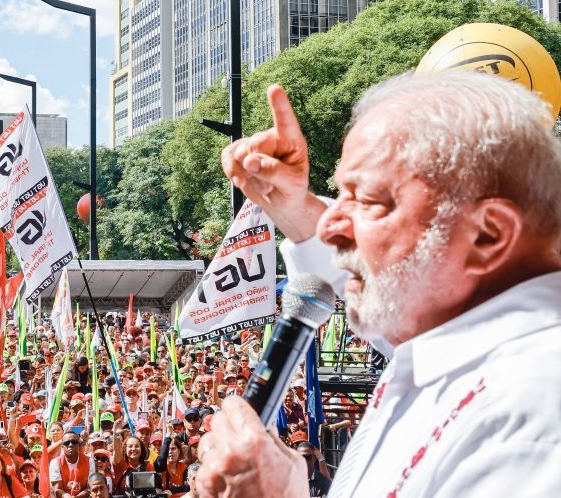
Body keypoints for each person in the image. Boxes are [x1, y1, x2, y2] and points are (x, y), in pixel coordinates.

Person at [205, 73, 561, 496]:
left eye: (367, 201)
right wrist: (294, 206)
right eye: (341, 195)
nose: (331, 224)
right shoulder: (455, 344)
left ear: (488, 234)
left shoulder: (534, 412)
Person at [48, 433, 92, 498]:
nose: (70, 445)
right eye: (67, 443)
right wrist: (66, 496)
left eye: (74, 442)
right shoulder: (55, 463)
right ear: (62, 447)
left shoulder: (89, 461)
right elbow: (57, 489)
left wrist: (77, 497)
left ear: (78, 444)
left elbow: (90, 487)